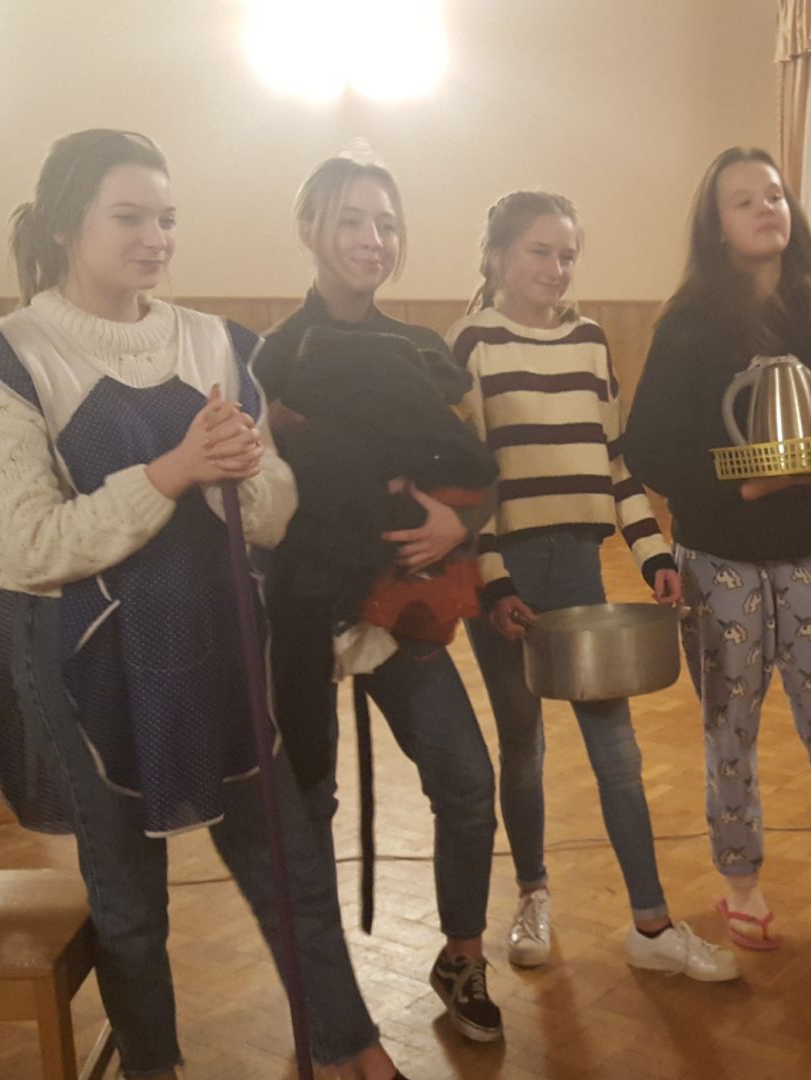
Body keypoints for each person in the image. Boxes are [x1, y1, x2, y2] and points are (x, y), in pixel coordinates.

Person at [0, 128, 395, 1079]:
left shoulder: (216, 343)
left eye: (167, 218)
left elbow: (274, 510)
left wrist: (242, 477)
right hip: (82, 662)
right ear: (66, 226)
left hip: (219, 641)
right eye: (130, 217)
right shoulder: (7, 358)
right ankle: (155, 1066)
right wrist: (172, 471)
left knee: (290, 864)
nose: (156, 239)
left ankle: (354, 1049)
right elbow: (19, 548)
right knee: (128, 901)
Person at [624, 147, 811, 964]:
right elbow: (648, 449)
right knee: (730, 730)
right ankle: (741, 886)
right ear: (715, 226)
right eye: (745, 200)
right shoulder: (687, 322)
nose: (768, 208)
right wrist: (741, 488)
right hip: (716, 559)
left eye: (775, 194)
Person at [452, 190, 739, 982]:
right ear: (498, 257)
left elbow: (615, 463)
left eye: (568, 255)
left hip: (578, 566)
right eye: (539, 252)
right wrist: (493, 582)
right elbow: (467, 480)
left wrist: (653, 555)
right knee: (523, 745)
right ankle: (533, 894)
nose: (556, 268)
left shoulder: (589, 340)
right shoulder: (471, 342)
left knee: (616, 749)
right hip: (503, 577)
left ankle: (650, 922)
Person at [255, 148, 506, 1044]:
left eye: (387, 224)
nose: (373, 239)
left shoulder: (422, 352)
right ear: (310, 229)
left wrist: (455, 524)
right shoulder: (270, 358)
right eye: (353, 221)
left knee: (467, 781)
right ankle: (325, 994)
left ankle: (461, 957)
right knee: (310, 804)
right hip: (306, 610)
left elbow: (480, 476)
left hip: (403, 601)